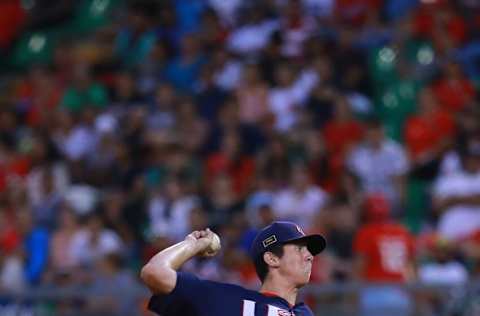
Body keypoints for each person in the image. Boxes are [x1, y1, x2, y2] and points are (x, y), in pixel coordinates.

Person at [140, 221, 326, 315]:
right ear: (271, 258)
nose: (309, 256)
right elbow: (155, 272)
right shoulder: (230, 300)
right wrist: (193, 245)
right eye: (299, 249)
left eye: (309, 250)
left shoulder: (304, 313)